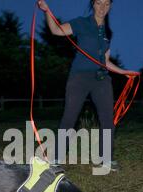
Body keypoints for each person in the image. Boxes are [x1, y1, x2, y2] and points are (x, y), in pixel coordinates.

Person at [38, 0, 137, 171]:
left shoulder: (107, 31)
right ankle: (55, 159)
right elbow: (56, 30)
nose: (102, 8)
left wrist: (123, 72)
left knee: (108, 119)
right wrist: (47, 10)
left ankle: (106, 160)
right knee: (70, 117)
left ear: (110, 6)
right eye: (99, 3)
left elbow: (105, 61)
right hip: (79, 78)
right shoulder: (81, 23)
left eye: (106, 4)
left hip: (101, 80)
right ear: (93, 4)